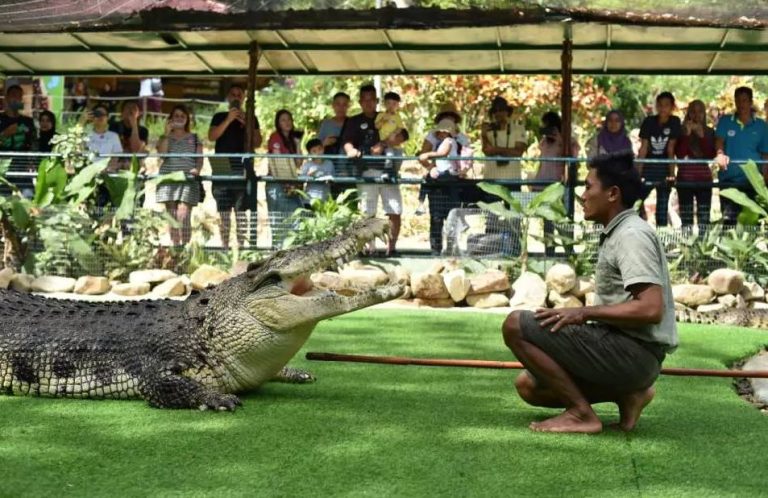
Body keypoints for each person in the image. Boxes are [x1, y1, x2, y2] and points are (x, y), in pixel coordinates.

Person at [501, 151, 677, 434]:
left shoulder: (631, 235)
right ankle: (629, 394)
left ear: (612, 194)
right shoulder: (620, 232)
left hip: (634, 354)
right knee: (529, 387)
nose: (583, 195)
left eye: (588, 186)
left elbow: (650, 309)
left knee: (514, 325)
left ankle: (582, 414)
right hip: (630, 356)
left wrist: (582, 313)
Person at [343, 84, 401, 255]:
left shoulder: (388, 116)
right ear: (360, 102)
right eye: (365, 100)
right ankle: (370, 248)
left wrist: (383, 144)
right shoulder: (354, 121)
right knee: (368, 212)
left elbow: (402, 135)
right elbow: (347, 141)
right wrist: (351, 151)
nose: (368, 103)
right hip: (366, 171)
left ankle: (391, 248)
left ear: (377, 101)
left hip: (388, 171)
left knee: (394, 210)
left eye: (372, 99)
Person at [208, 84, 263, 247]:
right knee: (224, 212)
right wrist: (229, 120)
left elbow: (258, 142)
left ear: (244, 98)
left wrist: (246, 123)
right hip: (222, 167)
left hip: (243, 168)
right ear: (228, 98)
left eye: (240, 94)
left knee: (241, 212)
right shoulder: (219, 116)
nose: (236, 97)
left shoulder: (251, 118)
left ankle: (242, 247)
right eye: (233, 94)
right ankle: (225, 248)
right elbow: (212, 136)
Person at [714, 86, 768, 225]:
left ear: (750, 102)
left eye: (744, 100)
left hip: (753, 182)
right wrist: (720, 155)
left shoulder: (761, 125)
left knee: (752, 224)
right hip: (729, 181)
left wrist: (765, 182)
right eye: (738, 100)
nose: (741, 104)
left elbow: (765, 155)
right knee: (728, 222)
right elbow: (719, 142)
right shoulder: (726, 121)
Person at [534, 111, 580, 257]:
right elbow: (542, 161)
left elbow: (573, 157)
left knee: (563, 221)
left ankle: (569, 252)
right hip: (544, 184)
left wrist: (559, 138)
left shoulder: (566, 141)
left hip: (559, 186)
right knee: (547, 222)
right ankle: (549, 253)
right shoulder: (544, 142)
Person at [155, 105, 202, 246]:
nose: (179, 118)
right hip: (168, 179)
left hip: (187, 179)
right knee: (172, 216)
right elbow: (162, 154)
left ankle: (186, 248)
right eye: (176, 116)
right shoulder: (165, 137)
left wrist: (197, 170)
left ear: (187, 119)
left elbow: (199, 158)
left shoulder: (194, 137)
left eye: (183, 116)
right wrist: (166, 134)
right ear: (171, 119)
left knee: (184, 215)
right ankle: (176, 248)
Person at [416, 102, 471, 215]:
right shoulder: (433, 135)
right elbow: (423, 154)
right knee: (437, 217)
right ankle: (421, 204)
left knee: (453, 214)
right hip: (437, 176)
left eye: (450, 116)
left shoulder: (461, 138)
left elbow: (468, 158)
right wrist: (431, 168)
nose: (448, 119)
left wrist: (463, 171)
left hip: (454, 177)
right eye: (445, 116)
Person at [637, 91, 682, 227]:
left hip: (664, 168)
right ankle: (639, 229)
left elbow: (671, 149)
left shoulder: (675, 122)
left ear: (672, 107)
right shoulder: (649, 121)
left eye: (667, 105)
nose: (663, 108)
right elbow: (643, 148)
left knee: (662, 207)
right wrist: (638, 173)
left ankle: (662, 239)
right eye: (660, 105)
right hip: (648, 168)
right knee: (636, 200)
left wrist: (671, 174)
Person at [419, 119, 462, 255]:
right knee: (436, 217)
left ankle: (450, 248)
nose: (440, 135)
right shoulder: (440, 143)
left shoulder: (449, 142)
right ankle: (436, 248)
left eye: (443, 132)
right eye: (439, 133)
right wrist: (430, 166)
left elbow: (442, 154)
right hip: (439, 181)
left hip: (449, 180)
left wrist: (427, 155)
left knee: (452, 217)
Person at [674, 100, 715, 229]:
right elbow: (680, 154)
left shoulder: (709, 131)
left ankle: (703, 247)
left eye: (700, 112)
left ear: (704, 113)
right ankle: (687, 247)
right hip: (685, 179)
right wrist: (687, 134)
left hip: (704, 179)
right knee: (686, 219)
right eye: (693, 111)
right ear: (688, 113)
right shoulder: (680, 130)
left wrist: (701, 136)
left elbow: (710, 155)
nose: (696, 115)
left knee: (704, 218)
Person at [267, 109, 304, 249]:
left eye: (289, 119)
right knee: (279, 223)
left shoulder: (293, 140)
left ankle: (291, 255)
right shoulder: (275, 137)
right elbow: (278, 161)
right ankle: (277, 256)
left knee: (295, 221)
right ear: (278, 123)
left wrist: (299, 144)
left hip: (292, 185)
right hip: (277, 184)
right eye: (283, 120)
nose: (287, 122)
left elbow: (299, 163)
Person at [481, 96, 527, 185]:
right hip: (491, 179)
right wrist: (484, 135)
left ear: (507, 112)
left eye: (501, 110)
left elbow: (518, 152)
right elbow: (486, 151)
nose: (498, 113)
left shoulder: (518, 128)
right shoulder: (489, 129)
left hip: (512, 179)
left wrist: (496, 150)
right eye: (495, 111)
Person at [317, 91, 351, 199]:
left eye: (344, 104)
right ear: (333, 106)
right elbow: (315, 149)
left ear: (348, 106)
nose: (341, 107)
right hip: (329, 172)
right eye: (338, 104)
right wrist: (324, 143)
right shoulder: (326, 124)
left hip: (348, 172)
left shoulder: (353, 123)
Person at [0, 85, 37, 174]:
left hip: (22, 166)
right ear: (7, 98)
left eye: (19, 96)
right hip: (2, 167)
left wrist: (32, 161)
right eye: (13, 95)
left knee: (27, 188)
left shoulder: (27, 121)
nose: (16, 98)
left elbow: (34, 143)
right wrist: (4, 134)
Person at [82, 103, 122, 173]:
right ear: (92, 117)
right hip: (88, 171)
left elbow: (116, 156)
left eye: (103, 115)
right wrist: (82, 121)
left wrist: (107, 169)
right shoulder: (85, 135)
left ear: (108, 117)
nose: (100, 117)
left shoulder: (114, 136)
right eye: (97, 114)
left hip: (107, 172)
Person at [300, 138, 335, 203]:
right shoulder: (307, 165)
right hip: (309, 199)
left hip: (325, 199)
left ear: (323, 149)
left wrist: (329, 180)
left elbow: (332, 180)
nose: (318, 153)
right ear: (310, 153)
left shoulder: (329, 163)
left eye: (319, 149)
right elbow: (302, 180)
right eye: (314, 151)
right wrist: (309, 175)